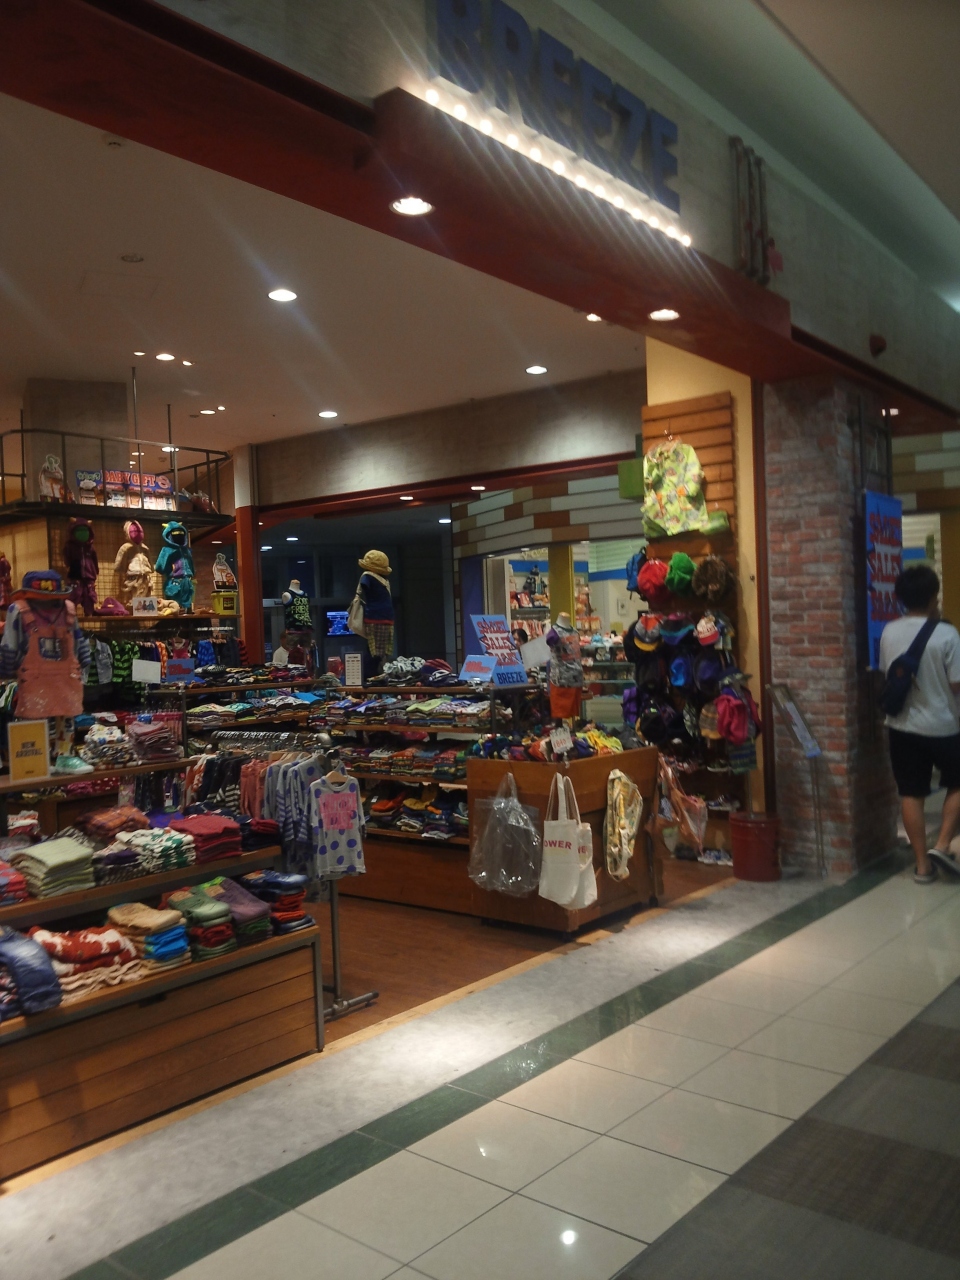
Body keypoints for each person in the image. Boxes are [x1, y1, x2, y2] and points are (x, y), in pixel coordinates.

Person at [880, 564, 960, 881]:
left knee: (911, 793)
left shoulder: (890, 631)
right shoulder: (947, 633)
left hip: (901, 726)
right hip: (943, 726)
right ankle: (941, 844)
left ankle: (922, 867)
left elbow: (889, 672)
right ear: (932, 597)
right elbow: (956, 684)